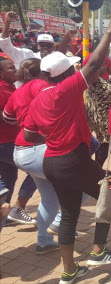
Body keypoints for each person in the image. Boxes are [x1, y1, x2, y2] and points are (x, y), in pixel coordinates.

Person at [23, 10, 111, 284]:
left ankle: (69, 271)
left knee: (69, 213)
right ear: (66, 74)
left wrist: (54, 135)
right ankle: (99, 251)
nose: (76, 69)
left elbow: (30, 135)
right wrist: (109, 31)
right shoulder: (64, 90)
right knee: (108, 196)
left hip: (52, 162)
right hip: (72, 159)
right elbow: (94, 66)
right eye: (72, 67)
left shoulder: (39, 96)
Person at [3, 58, 63, 255]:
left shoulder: (17, 91)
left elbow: (8, 118)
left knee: (49, 198)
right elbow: (55, 106)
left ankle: (44, 241)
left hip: (21, 150)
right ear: (44, 71)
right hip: (38, 148)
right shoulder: (41, 86)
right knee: (90, 182)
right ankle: (60, 221)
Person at [0, 55, 38, 229]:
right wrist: (14, 116)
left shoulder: (9, 86)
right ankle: (17, 208)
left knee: (9, 177)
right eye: (10, 68)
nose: (14, 70)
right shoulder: (1, 89)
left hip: (9, 140)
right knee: (36, 169)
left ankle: (4, 213)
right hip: (4, 142)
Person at [83, 54, 111, 168]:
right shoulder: (94, 81)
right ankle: (97, 169)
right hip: (103, 119)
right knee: (107, 145)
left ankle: (97, 168)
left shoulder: (100, 80)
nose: (106, 65)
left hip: (103, 118)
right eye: (103, 64)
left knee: (106, 145)